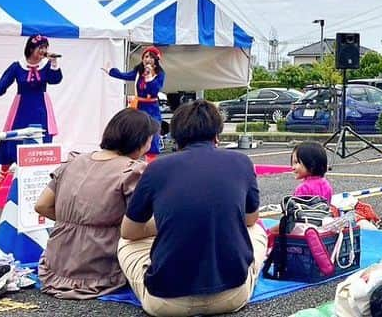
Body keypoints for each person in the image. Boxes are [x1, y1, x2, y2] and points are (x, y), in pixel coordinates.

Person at [118, 100, 266, 317]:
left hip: (165, 303)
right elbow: (251, 218)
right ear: (217, 135)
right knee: (257, 231)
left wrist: (170, 223)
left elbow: (128, 231)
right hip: (232, 296)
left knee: (124, 243)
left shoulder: (157, 167)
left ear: (176, 137)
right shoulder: (241, 162)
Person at [36, 109, 157, 298]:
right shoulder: (132, 171)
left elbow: (41, 206)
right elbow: (139, 222)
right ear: (140, 141)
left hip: (55, 266)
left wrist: (78, 221)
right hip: (101, 268)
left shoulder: (73, 161)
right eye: (150, 140)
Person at [0, 34, 63, 190]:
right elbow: (2, 85)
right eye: (40, 47)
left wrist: (54, 61)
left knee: (41, 141)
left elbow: (55, 80)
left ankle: (39, 179)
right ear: (31, 48)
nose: (44, 50)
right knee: (11, 140)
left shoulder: (47, 64)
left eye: (45, 47)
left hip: (41, 107)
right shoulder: (17, 66)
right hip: (22, 107)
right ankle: (3, 172)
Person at [103, 47, 166, 155]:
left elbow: (155, 89)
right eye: (146, 56)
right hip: (139, 105)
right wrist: (111, 71)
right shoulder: (138, 72)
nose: (148, 59)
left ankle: (151, 158)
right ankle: (133, 153)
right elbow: (125, 76)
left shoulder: (159, 74)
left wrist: (149, 77)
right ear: (142, 59)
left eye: (151, 57)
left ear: (156, 59)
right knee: (136, 130)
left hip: (152, 107)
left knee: (153, 130)